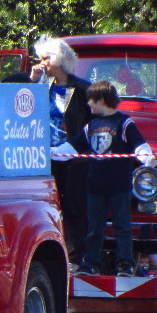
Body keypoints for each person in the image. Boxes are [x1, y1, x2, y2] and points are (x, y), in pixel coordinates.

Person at [52, 81, 156, 276]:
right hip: (94, 187)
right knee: (94, 228)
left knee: (122, 227)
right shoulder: (91, 125)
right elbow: (73, 147)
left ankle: (124, 263)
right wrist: (53, 153)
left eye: (91, 100)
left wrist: (146, 157)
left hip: (119, 186)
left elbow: (140, 146)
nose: (88, 104)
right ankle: (91, 263)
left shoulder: (124, 123)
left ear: (101, 99)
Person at [30, 35, 93, 266]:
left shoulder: (83, 89)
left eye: (47, 58)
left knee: (74, 206)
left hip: (74, 158)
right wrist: (33, 83)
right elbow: (22, 109)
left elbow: (95, 125)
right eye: (41, 58)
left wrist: (74, 145)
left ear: (61, 59)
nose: (42, 62)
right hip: (45, 158)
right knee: (47, 207)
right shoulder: (41, 87)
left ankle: (76, 257)